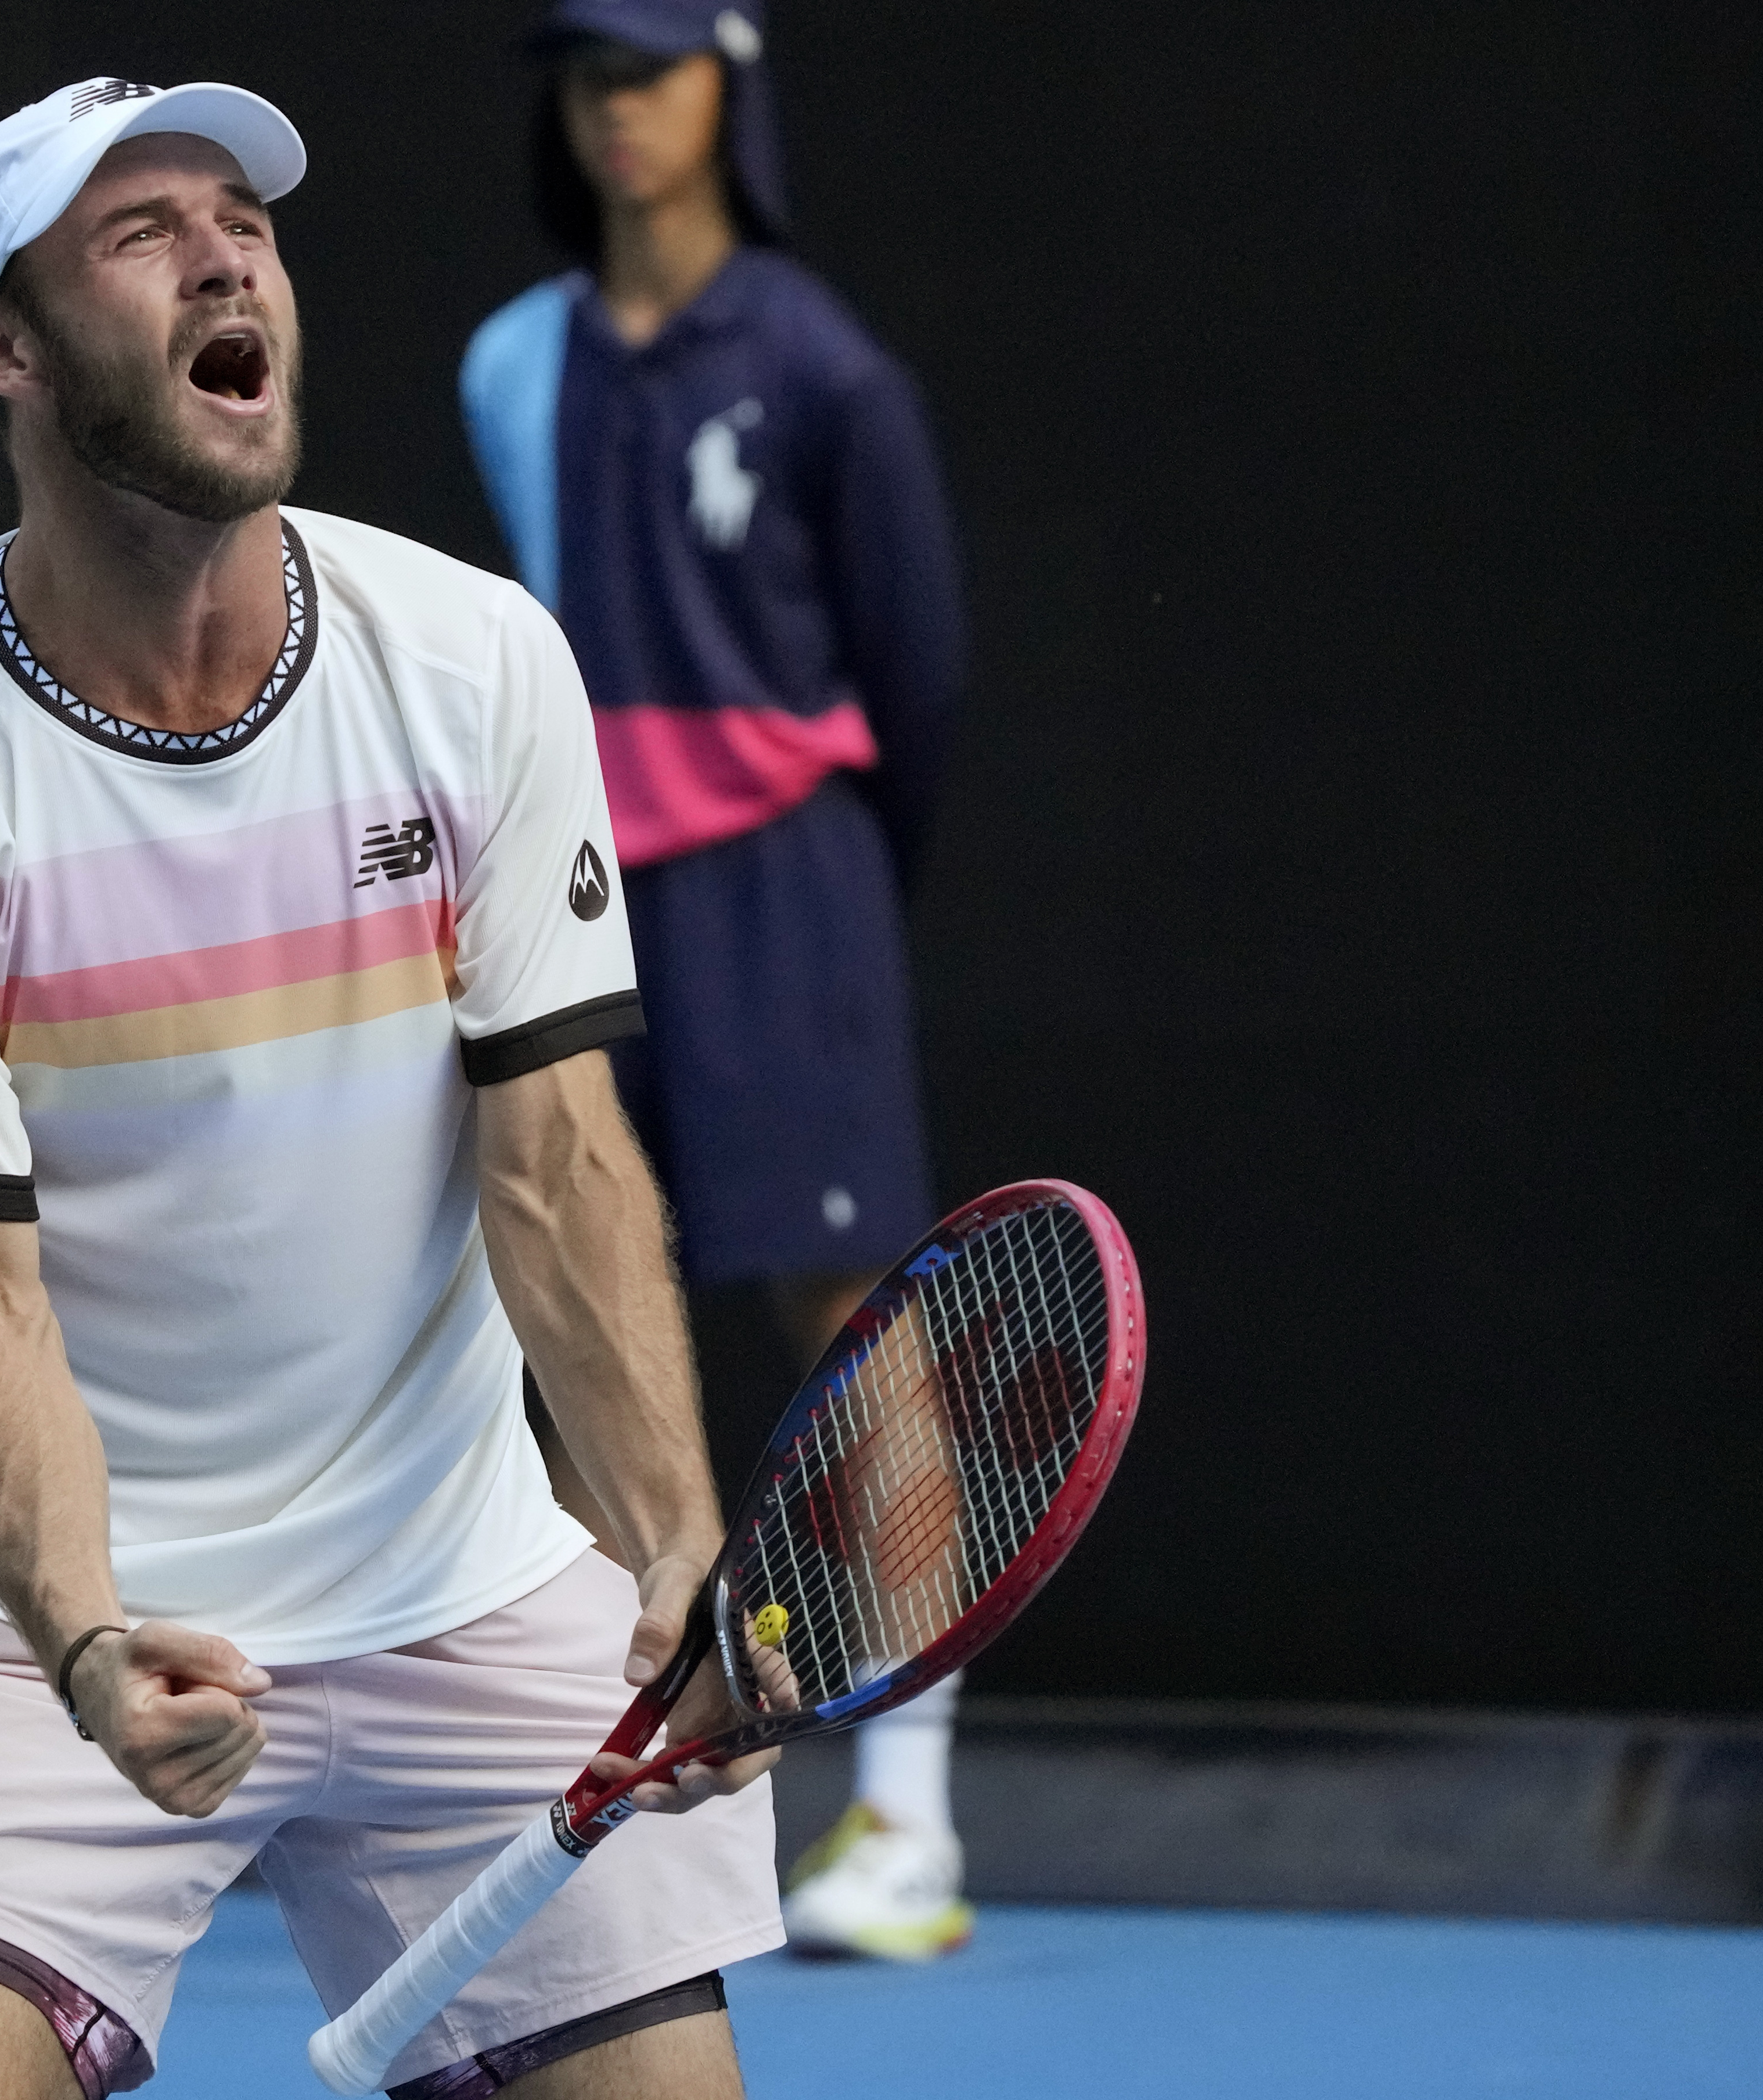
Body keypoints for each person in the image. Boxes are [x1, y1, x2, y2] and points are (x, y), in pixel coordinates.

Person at [0, 77, 785, 2100]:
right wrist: (82, 1647)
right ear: (5, 348)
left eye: (243, 219)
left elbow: (557, 1159)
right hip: (67, 1621)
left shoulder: (476, 662)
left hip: (471, 1598)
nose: (227, 257)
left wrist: (667, 1541)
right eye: (141, 236)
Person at [458, 2, 976, 1962]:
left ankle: (906, 1824)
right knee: (578, 1300)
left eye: (655, 72)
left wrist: (825, 889)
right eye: (590, 78)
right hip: (588, 890)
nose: (618, 111)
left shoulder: (831, 368)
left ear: (726, 93)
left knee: (853, 1325)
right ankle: (594, 1801)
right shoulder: (514, 362)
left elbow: (915, 678)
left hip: (787, 883)